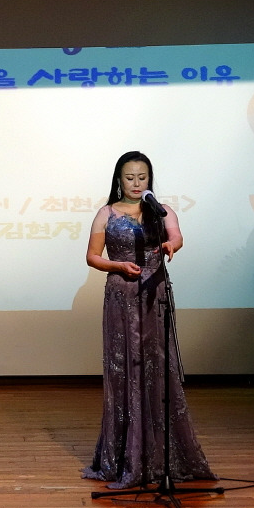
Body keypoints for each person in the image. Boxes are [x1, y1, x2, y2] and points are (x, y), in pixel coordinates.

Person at [82, 151, 215, 488]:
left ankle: (160, 456)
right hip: (122, 295)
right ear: (119, 179)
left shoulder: (161, 210)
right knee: (125, 367)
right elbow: (92, 257)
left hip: (155, 294)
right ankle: (125, 456)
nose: (136, 183)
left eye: (142, 177)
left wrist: (172, 246)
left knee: (157, 366)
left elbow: (176, 236)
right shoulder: (106, 213)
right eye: (130, 177)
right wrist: (118, 265)